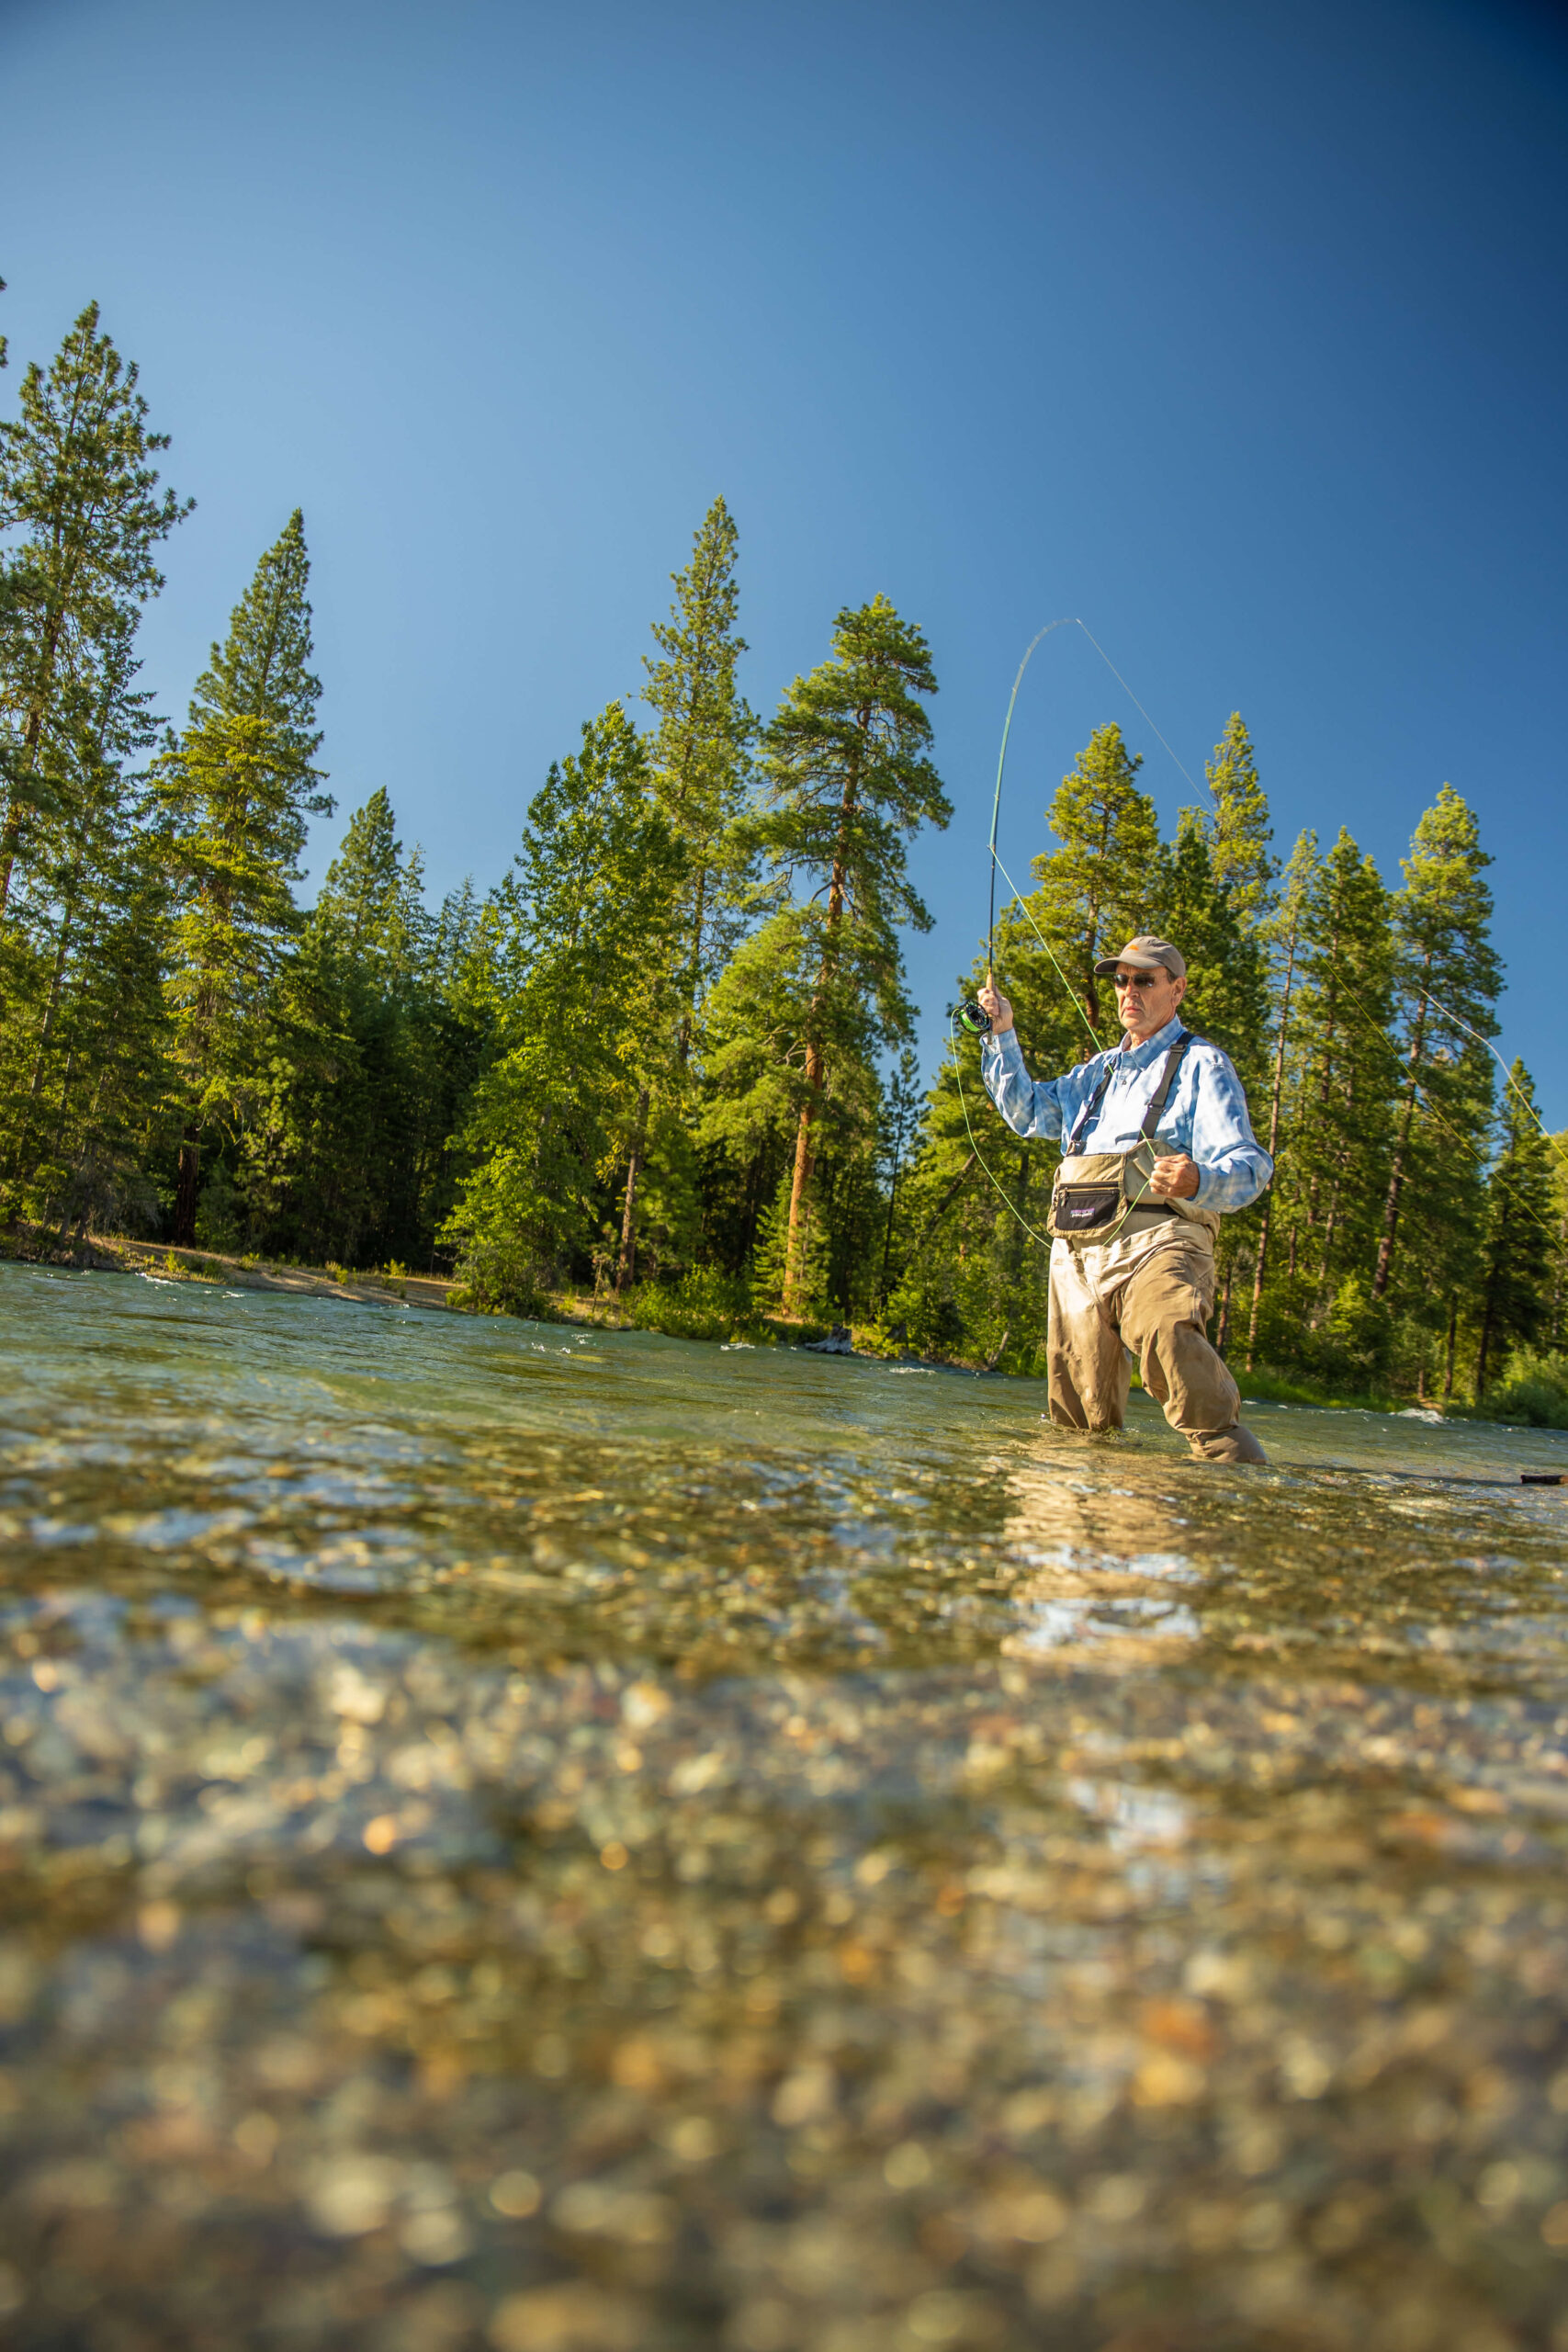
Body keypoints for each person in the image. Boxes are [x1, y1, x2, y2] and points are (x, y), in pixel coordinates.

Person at [976, 934, 1271, 1465]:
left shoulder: (1204, 1064)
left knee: (1170, 1341)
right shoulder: (1096, 1072)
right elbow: (1027, 1112)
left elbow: (1252, 1166)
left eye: (1144, 980)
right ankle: (1083, 1524)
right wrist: (1002, 1035)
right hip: (1075, 1254)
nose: (1128, 990)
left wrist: (1199, 1178)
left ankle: (1237, 1490)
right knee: (1077, 1417)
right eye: (1120, 980)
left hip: (1160, 1240)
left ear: (1176, 990)